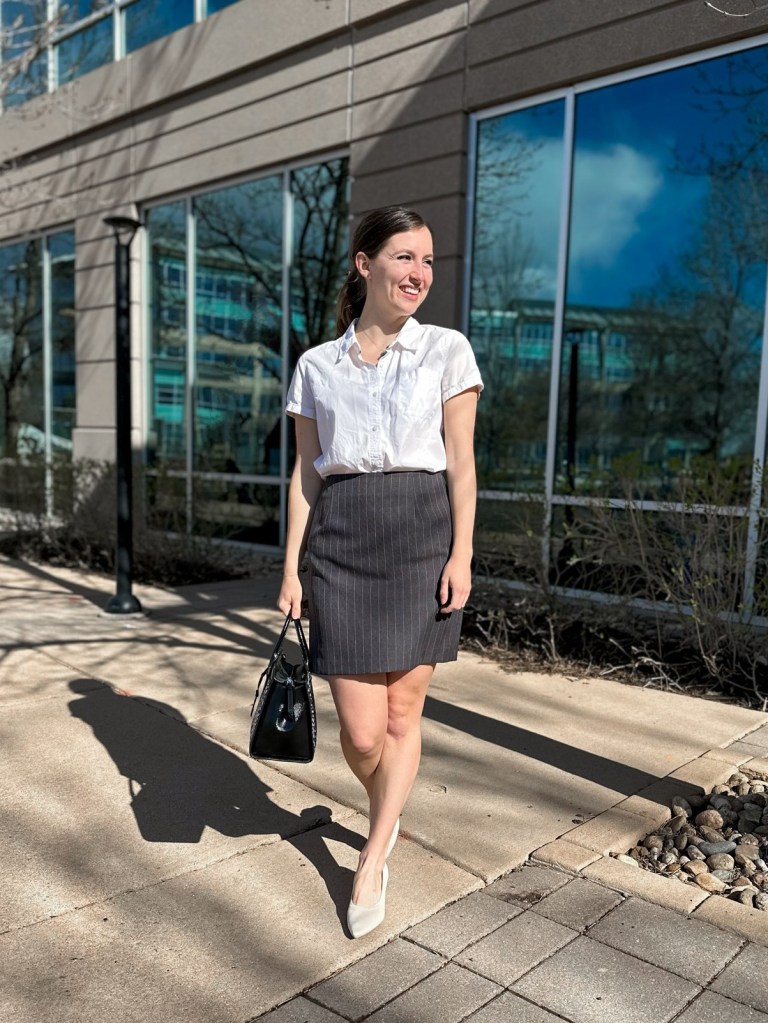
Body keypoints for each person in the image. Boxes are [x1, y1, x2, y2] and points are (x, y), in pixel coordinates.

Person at [277, 205, 483, 938]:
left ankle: (373, 855)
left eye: (427, 259)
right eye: (404, 257)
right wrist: (292, 566)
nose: (419, 273)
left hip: (422, 538)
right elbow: (306, 474)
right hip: (341, 543)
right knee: (362, 735)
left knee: (402, 716)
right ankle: (386, 807)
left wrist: (461, 553)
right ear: (365, 264)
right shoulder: (316, 366)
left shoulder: (447, 351)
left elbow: (462, 465)